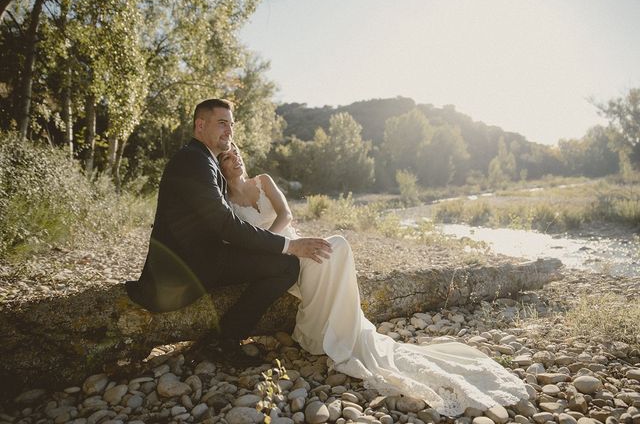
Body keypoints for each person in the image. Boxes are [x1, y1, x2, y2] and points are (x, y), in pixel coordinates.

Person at [217, 145, 531, 417]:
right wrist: (279, 251)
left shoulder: (264, 181)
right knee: (336, 244)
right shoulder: (226, 204)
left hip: (295, 245)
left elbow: (285, 214)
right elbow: (242, 243)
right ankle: (313, 334)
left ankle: (339, 328)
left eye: (238, 153)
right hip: (280, 264)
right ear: (220, 165)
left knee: (337, 244)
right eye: (229, 157)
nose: (237, 159)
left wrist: (283, 241)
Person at [125, 98, 331, 357]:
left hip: (200, 259)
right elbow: (225, 224)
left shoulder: (204, 160)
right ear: (200, 125)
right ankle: (223, 341)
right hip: (185, 271)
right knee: (287, 265)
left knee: (280, 262)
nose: (229, 131)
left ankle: (223, 338)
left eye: (231, 125)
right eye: (222, 123)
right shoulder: (194, 161)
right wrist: (290, 245)